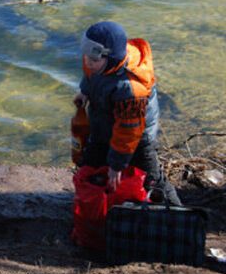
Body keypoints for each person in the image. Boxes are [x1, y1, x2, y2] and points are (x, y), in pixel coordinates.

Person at [74, 21, 181, 205]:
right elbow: (89, 76)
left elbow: (128, 132)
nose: (88, 63)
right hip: (104, 124)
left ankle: (179, 214)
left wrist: (117, 166)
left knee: (152, 180)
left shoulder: (130, 89)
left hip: (137, 138)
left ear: (112, 58)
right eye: (86, 57)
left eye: (93, 60)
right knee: (89, 165)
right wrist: (85, 91)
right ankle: (100, 208)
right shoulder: (97, 60)